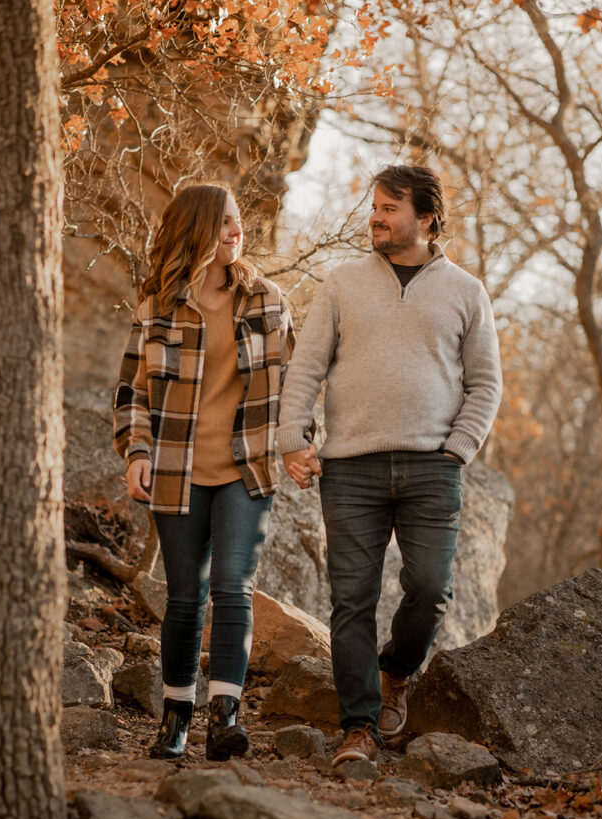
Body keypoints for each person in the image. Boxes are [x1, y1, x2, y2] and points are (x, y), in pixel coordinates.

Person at [277, 164, 502, 768]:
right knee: (351, 600)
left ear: (426, 218)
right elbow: (306, 368)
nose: (375, 216)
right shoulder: (341, 281)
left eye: (389, 207)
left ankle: (396, 672)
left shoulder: (465, 291)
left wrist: (459, 447)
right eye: (374, 205)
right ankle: (359, 729)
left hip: (434, 468)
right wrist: (292, 437)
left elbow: (485, 385)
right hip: (351, 468)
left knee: (430, 589)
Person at [114, 183, 295, 761]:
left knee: (233, 588)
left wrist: (301, 443)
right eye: (221, 224)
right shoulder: (158, 307)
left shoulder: (268, 302)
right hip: (177, 470)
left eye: (237, 221)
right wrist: (136, 452)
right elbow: (131, 392)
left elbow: (297, 387)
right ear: (196, 232)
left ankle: (226, 717)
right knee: (187, 599)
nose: (234, 232)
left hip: (245, 469)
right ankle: (175, 719)